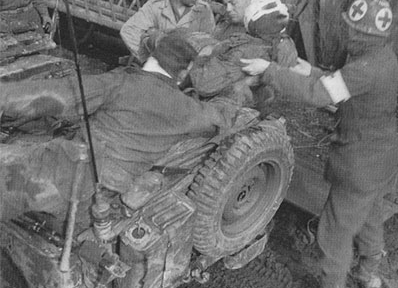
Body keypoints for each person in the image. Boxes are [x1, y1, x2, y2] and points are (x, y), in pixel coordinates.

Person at [242, 0, 398, 288]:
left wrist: (270, 70)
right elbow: (338, 86)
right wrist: (306, 69)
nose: (346, 34)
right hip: (382, 157)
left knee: (335, 232)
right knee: (370, 216)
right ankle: (369, 273)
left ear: (360, 34)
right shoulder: (382, 57)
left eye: (350, 29)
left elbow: (319, 95)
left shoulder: (365, 67)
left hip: (359, 163)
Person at [0, 30, 239, 221]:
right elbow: (219, 120)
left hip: (67, 174)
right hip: (100, 198)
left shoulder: (119, 83)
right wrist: (232, 95)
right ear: (184, 72)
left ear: (150, 57)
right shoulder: (187, 109)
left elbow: (55, 95)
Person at [188, 0, 298, 106]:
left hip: (236, 110)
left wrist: (201, 58)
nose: (229, 8)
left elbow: (203, 86)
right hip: (270, 107)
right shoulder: (286, 43)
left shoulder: (244, 50)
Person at [120, 0, 216, 63]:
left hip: (187, 68)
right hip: (159, 66)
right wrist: (148, 59)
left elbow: (209, 42)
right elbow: (128, 31)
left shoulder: (203, 10)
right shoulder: (156, 6)